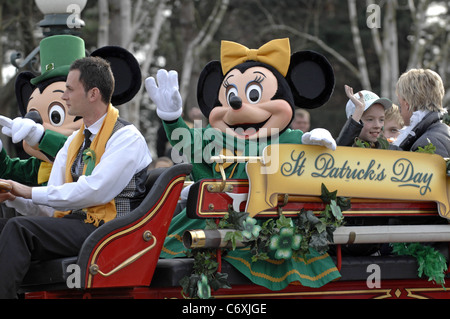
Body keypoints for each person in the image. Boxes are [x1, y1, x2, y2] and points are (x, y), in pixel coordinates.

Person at [0, 56, 152, 298]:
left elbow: (94, 190)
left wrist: (28, 191)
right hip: (78, 225)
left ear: (93, 94)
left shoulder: (127, 138)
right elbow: (51, 209)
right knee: (6, 225)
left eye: (70, 89)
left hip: (112, 232)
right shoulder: (74, 141)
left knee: (19, 229)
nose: (64, 96)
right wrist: (12, 196)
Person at [392, 68, 450, 157]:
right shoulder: (439, 131)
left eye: (400, 105)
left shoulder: (428, 143)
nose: (400, 112)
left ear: (407, 104)